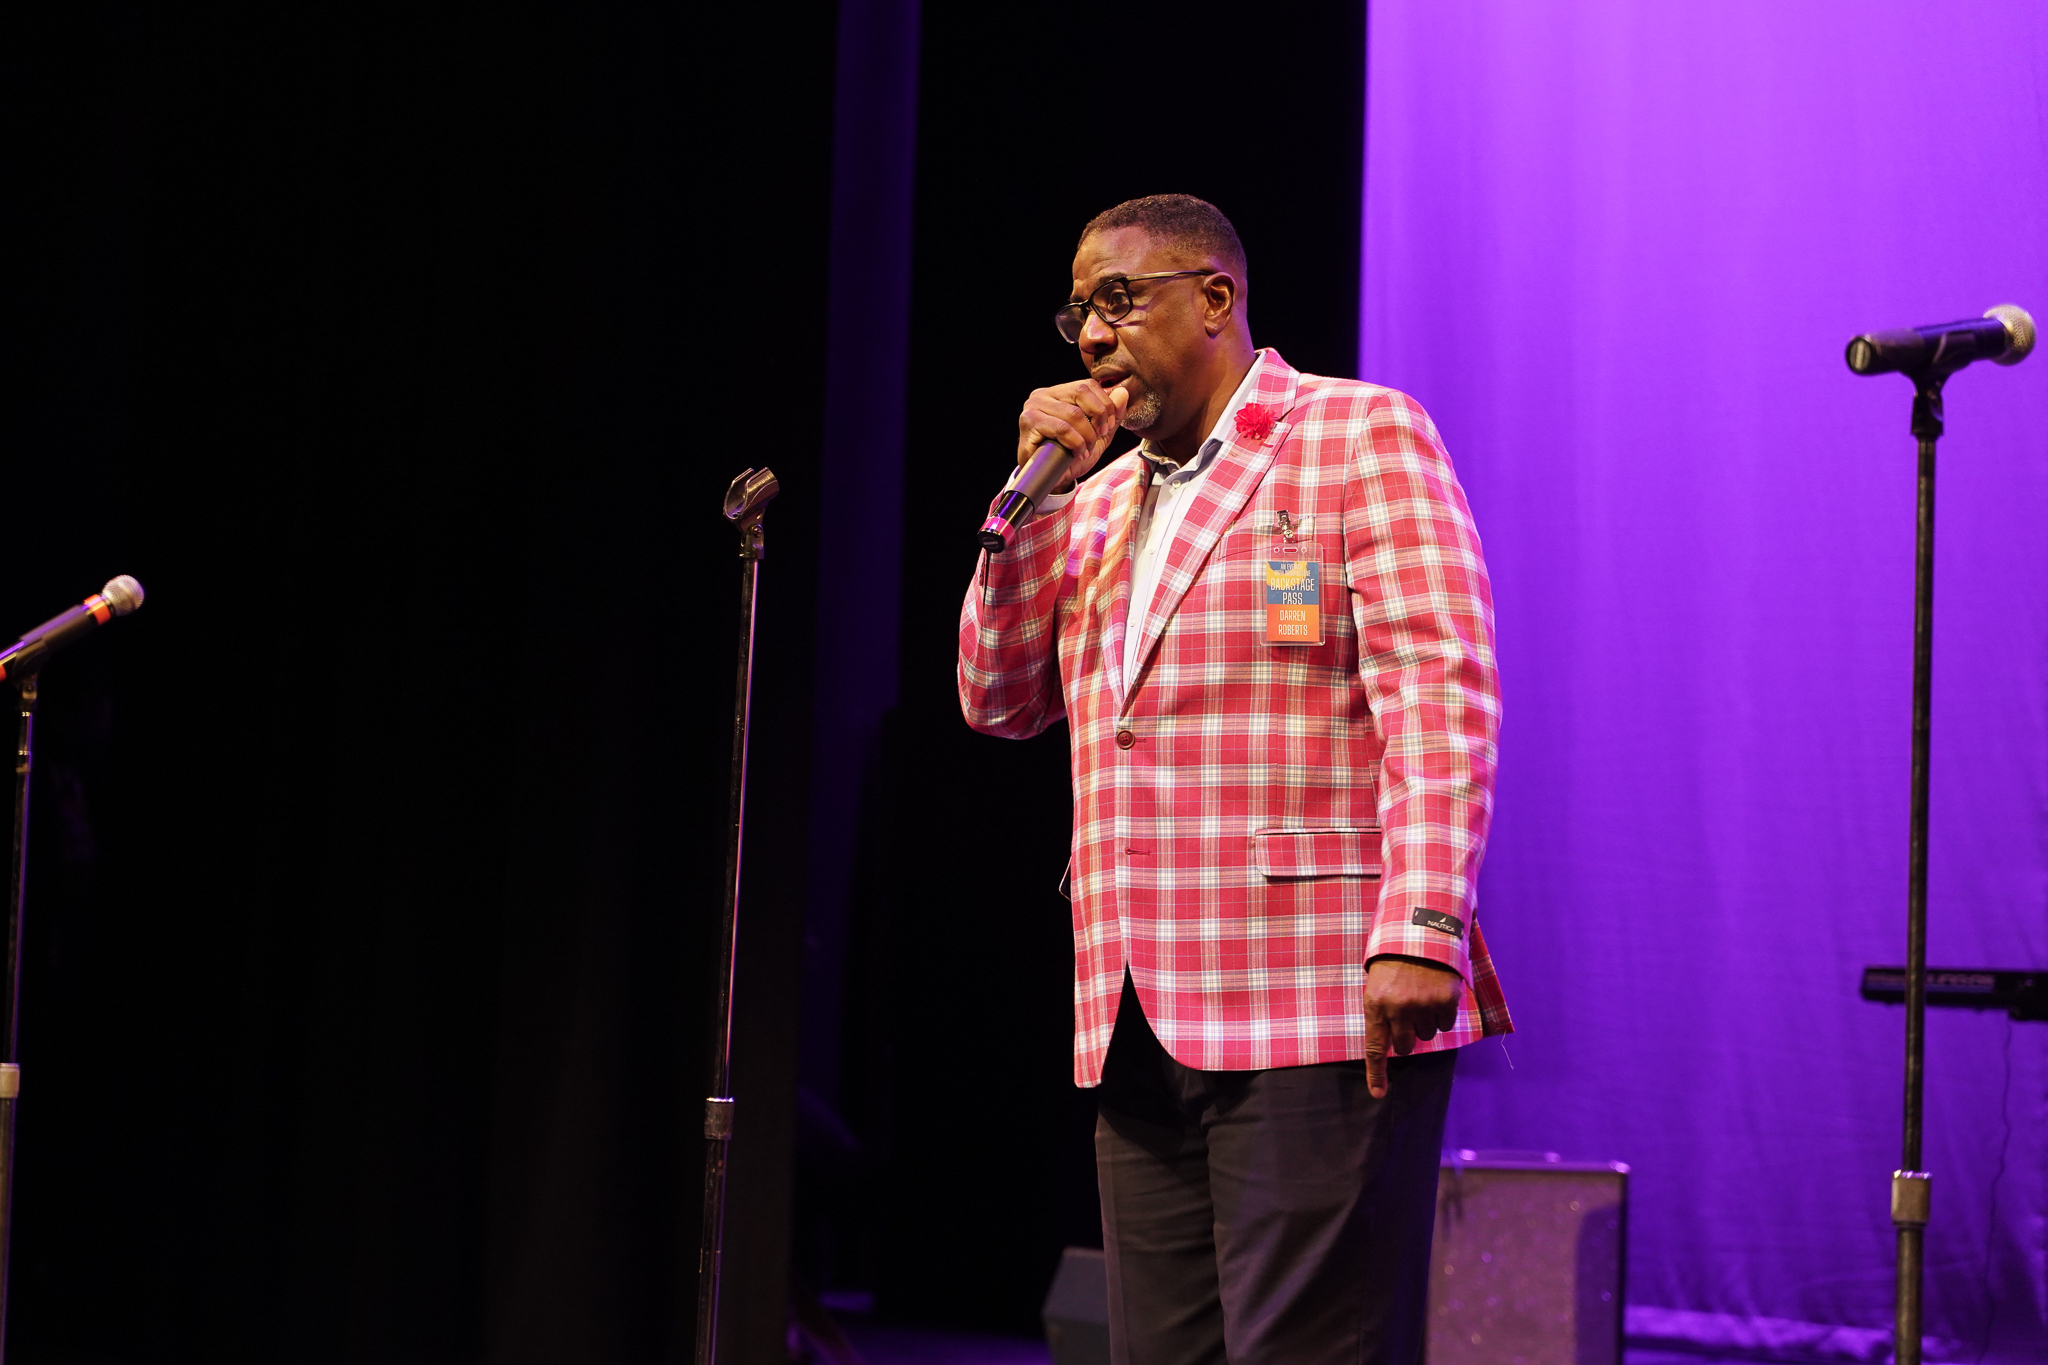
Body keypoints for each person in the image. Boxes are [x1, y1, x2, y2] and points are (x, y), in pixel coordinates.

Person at [956, 195, 1511, 1364]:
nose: (1092, 335)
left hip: (1317, 994)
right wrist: (1032, 499)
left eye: (1118, 299)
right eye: (1079, 312)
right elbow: (996, 701)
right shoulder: (1092, 501)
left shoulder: (1356, 434)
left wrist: (1422, 925)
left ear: (1214, 299)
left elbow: (1438, 686)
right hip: (1136, 1007)